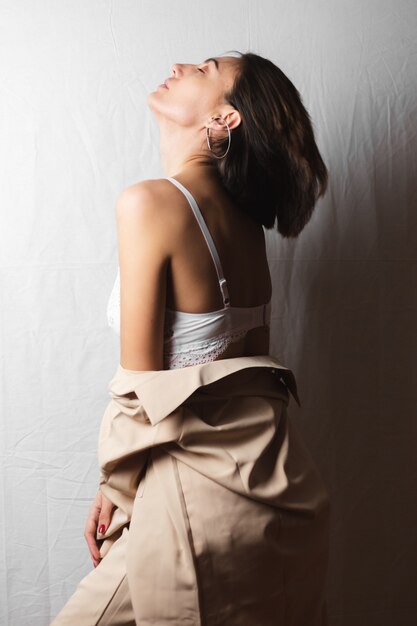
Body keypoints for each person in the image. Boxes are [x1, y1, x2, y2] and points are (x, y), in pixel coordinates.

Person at [51, 50, 330, 625]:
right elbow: (253, 374)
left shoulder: (150, 203)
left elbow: (139, 392)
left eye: (205, 70)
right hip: (271, 502)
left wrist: (118, 490)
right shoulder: (248, 227)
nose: (180, 66)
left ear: (225, 120)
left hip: (186, 509)